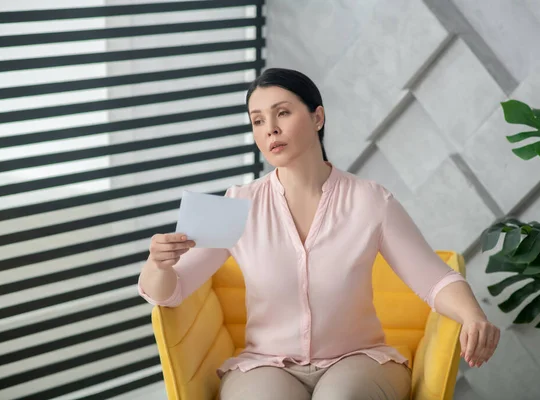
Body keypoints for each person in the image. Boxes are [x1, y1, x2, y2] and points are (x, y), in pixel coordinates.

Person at [138, 68, 500, 400]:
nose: (270, 129)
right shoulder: (237, 204)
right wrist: (159, 264)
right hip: (264, 365)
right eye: (258, 120)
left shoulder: (370, 200)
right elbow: (172, 292)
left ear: (317, 117)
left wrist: (473, 316)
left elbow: (435, 280)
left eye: (282, 113)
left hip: (358, 360)